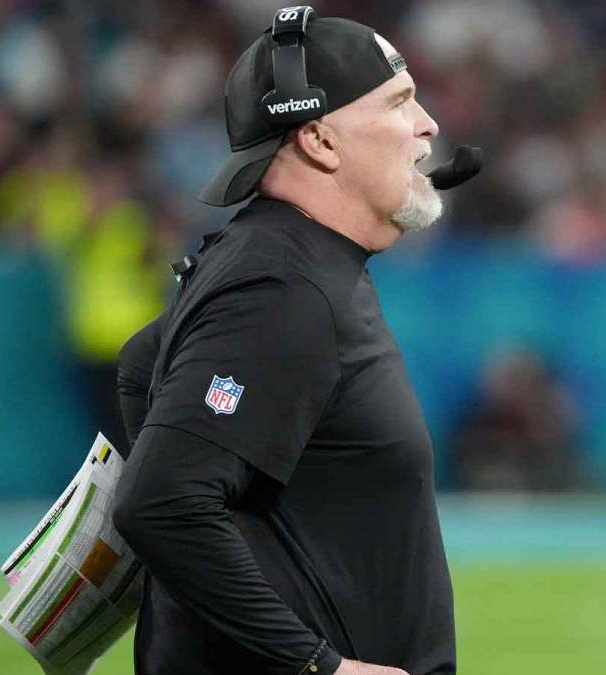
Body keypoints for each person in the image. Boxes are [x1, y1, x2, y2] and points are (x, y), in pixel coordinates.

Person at [112, 9, 454, 675]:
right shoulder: (283, 283)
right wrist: (316, 664)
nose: (427, 126)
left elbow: (139, 364)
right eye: (400, 102)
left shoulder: (290, 257)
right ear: (321, 141)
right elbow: (160, 501)